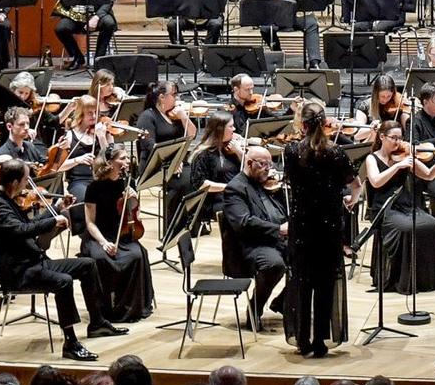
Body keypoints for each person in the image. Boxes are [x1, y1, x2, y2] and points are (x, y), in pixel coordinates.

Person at [0, 158, 120, 360]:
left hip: (34, 262)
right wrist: (52, 220)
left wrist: (56, 208)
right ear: (14, 182)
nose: (27, 183)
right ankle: (71, 343)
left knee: (87, 265)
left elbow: (29, 223)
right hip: (19, 272)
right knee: (63, 282)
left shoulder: (8, 199)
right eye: (25, 179)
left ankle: (98, 322)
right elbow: (21, 230)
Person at [281, 101, 360, 356]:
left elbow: (290, 182)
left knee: (302, 282)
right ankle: (320, 342)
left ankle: (302, 339)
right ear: (325, 124)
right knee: (325, 282)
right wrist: (351, 199)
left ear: (302, 125)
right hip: (328, 226)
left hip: (302, 225)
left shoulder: (291, 151)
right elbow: (356, 184)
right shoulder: (336, 153)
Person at [363, 126, 435, 295]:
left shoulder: (405, 155)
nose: (399, 142)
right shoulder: (372, 158)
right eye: (394, 138)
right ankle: (402, 279)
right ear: (382, 137)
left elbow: (429, 175)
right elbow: (375, 182)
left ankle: (425, 279)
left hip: (406, 205)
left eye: (400, 137)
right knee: (407, 228)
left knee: (434, 225)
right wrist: (398, 166)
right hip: (385, 208)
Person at [80, 146, 155, 323]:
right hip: (99, 235)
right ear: (109, 162)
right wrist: (104, 243)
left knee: (136, 255)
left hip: (123, 233)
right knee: (100, 259)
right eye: (122, 158)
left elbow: (134, 212)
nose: (127, 162)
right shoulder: (94, 187)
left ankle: (130, 308)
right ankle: (106, 309)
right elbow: (90, 223)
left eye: (127, 158)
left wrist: (134, 198)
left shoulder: (128, 183)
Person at [163, 112, 244, 270]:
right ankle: (233, 261)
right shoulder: (203, 154)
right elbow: (201, 184)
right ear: (220, 129)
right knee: (236, 212)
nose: (234, 129)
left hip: (232, 196)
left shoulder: (232, 150)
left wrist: (240, 153)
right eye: (231, 126)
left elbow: (247, 171)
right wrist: (229, 187)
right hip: (212, 201)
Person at [222, 144, 289, 327]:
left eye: (270, 164)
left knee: (313, 260)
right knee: (274, 264)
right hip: (252, 245)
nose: (268, 169)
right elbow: (243, 222)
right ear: (250, 163)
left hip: (276, 239)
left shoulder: (267, 184)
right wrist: (278, 229)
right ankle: (255, 308)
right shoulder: (235, 188)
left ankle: (282, 303)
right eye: (263, 164)